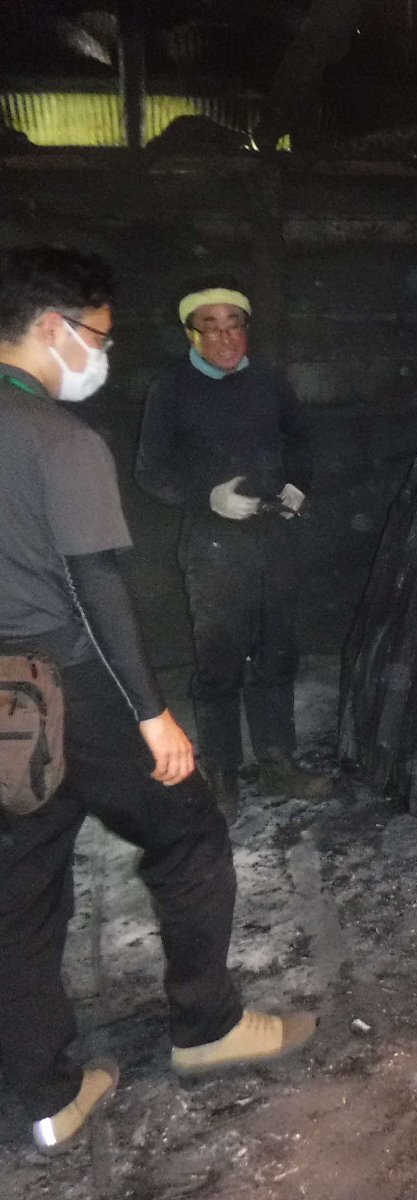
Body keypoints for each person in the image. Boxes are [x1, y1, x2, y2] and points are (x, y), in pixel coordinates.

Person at [0, 246, 315, 1154]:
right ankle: (207, 1025)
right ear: (54, 326)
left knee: (21, 887)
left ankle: (44, 1094)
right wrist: (150, 712)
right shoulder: (60, 440)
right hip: (67, 682)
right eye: (97, 336)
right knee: (189, 829)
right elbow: (98, 588)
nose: (101, 353)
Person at [135, 284, 330, 812]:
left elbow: (301, 437)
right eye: (211, 327)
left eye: (234, 325)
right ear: (191, 335)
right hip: (214, 543)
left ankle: (277, 761)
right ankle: (222, 771)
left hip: (275, 533)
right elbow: (150, 471)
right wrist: (208, 497)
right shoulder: (172, 388)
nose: (225, 337)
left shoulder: (267, 379)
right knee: (218, 659)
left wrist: (298, 483)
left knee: (276, 652)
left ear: (246, 329)